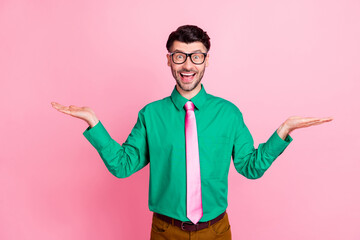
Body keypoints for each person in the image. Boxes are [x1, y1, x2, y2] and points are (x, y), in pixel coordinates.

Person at [51, 25, 333, 240]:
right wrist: (93, 123)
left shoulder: (229, 113)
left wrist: (283, 131)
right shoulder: (151, 114)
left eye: (196, 56)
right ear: (169, 60)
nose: (188, 65)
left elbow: (250, 168)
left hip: (216, 231)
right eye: (180, 56)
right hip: (165, 232)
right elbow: (123, 166)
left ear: (206, 60)